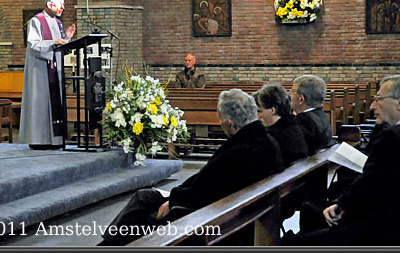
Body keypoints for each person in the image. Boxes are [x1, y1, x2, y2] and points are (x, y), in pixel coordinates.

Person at [99, 89, 284, 246]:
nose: (220, 124)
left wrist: (173, 200)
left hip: (211, 218)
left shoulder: (240, 151)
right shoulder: (265, 141)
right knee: (145, 197)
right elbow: (209, 180)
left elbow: (204, 190)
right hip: (236, 209)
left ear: (230, 123)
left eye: (220, 119)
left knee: (140, 215)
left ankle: (107, 246)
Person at [284, 74, 400, 246]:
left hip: (383, 227)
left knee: (298, 243)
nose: (372, 105)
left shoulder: (395, 135)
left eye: (378, 99)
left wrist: (341, 206)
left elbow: (370, 183)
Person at [19, 0, 76, 149]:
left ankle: (54, 140)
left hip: (54, 70)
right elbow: (33, 45)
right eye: (60, 4)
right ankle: (39, 140)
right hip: (40, 72)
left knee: (53, 104)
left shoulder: (57, 23)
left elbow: (59, 46)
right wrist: (53, 42)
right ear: (50, 5)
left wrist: (68, 38)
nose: (63, 7)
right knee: (41, 103)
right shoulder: (36, 21)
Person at [253, 84, 308, 167]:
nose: (259, 116)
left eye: (260, 111)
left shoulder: (273, 136)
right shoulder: (292, 125)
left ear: (272, 110)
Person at [290, 75, 334, 155]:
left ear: (301, 99)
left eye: (292, 92)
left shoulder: (303, 120)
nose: (290, 95)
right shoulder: (320, 115)